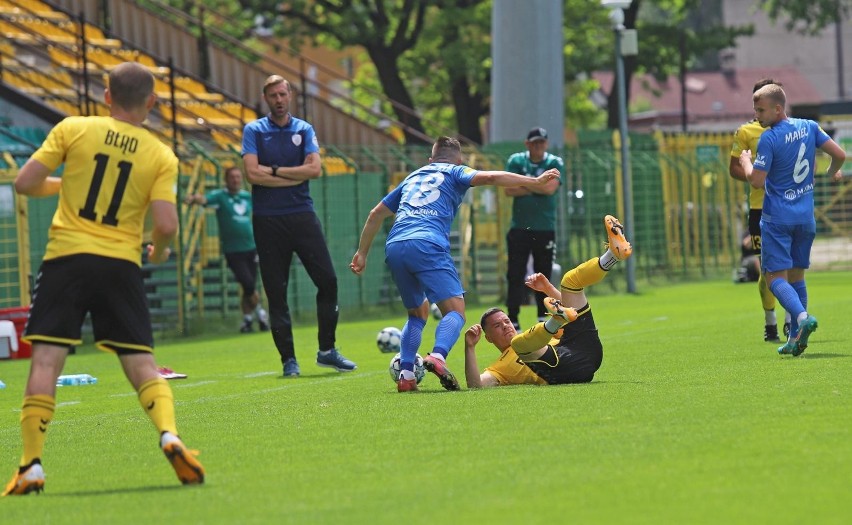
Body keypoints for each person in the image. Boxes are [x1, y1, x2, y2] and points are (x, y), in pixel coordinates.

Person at [3, 62, 205, 496]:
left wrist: (68, 185)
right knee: (141, 363)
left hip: (67, 258)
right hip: (120, 263)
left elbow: (24, 183)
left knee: (44, 363)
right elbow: (167, 224)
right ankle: (170, 435)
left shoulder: (73, 128)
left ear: (107, 97)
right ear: (151, 102)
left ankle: (31, 464)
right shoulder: (160, 155)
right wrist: (161, 249)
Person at [349, 136, 561, 392]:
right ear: (459, 159)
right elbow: (492, 178)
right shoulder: (456, 171)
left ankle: (406, 375)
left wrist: (361, 253)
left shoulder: (413, 176)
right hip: (427, 242)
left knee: (417, 314)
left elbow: (375, 214)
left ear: (431, 160)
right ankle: (437, 357)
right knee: (455, 312)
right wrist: (534, 180)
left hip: (395, 244)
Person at [241, 75, 356, 377]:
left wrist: (275, 171)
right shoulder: (254, 130)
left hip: (301, 215)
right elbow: (252, 174)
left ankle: (327, 350)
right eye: (272, 95)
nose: (278, 100)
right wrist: (295, 173)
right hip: (267, 220)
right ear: (265, 98)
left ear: (290, 95)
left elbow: (315, 170)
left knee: (328, 281)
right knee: (276, 292)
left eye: (282, 94)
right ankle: (288, 360)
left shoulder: (304, 129)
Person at [739, 84, 846, 356]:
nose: (756, 115)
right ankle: (797, 339)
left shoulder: (770, 138)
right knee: (797, 275)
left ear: (778, 108)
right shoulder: (809, 126)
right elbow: (840, 154)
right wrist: (833, 172)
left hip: (777, 219)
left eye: (760, 109)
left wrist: (746, 161)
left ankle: (801, 318)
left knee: (774, 276)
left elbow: (757, 181)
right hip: (805, 218)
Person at [464, 215, 632, 388]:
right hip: (562, 369)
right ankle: (556, 319)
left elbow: (573, 315)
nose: (506, 325)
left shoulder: (539, 336)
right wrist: (469, 347)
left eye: (506, 321)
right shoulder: (499, 368)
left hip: (587, 350)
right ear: (488, 338)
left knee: (570, 280)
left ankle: (613, 255)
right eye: (497, 326)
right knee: (519, 344)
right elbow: (475, 385)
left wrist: (548, 290)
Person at [729, 78, 790, 342]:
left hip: (788, 206)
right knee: (767, 271)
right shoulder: (745, 133)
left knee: (791, 266)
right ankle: (770, 323)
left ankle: (791, 321)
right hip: (759, 209)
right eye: (757, 105)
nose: (758, 110)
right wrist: (757, 175)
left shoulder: (793, 129)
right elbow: (733, 168)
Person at [185, 166, 270, 333]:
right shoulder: (220, 196)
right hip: (233, 250)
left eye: (238, 177)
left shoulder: (247, 197)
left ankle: (246, 321)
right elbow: (204, 200)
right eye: (232, 177)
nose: (236, 180)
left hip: (251, 248)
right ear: (226, 179)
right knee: (247, 283)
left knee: (248, 286)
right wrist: (194, 198)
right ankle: (261, 313)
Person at [504, 126, 564, 329]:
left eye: (542, 142)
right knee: (515, 272)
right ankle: (513, 317)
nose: (538, 146)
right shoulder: (516, 161)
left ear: (546, 144)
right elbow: (509, 190)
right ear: (527, 144)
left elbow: (549, 189)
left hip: (544, 227)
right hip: (520, 227)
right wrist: (537, 183)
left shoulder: (554, 162)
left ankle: (543, 315)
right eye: (535, 142)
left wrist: (526, 184)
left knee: (543, 273)